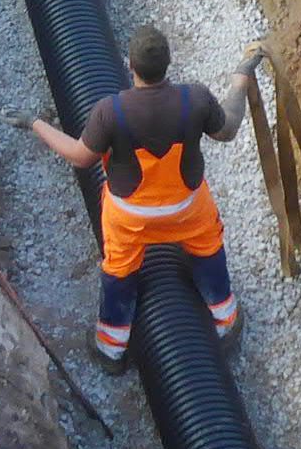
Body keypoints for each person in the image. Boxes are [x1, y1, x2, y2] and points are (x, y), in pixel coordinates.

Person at [26, 25, 242, 363]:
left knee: (119, 268)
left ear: (130, 65)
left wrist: (36, 124)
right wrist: (239, 84)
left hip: (130, 217)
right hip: (187, 208)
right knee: (208, 246)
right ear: (169, 63)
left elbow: (81, 157)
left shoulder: (109, 111)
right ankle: (226, 321)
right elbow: (228, 129)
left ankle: (111, 348)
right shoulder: (196, 98)